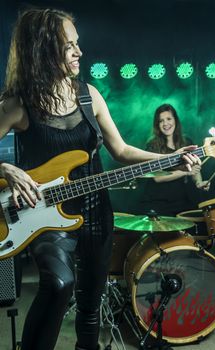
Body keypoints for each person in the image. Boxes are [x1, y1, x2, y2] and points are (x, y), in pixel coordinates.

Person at [0, 8, 201, 350]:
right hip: (44, 217)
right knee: (60, 284)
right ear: (43, 49)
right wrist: (5, 170)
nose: (80, 52)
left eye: (78, 44)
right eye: (69, 46)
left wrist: (171, 160)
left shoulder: (88, 95)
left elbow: (121, 150)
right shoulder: (18, 103)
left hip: (94, 211)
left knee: (91, 303)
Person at [140, 103, 210, 216]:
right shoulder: (152, 145)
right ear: (157, 124)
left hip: (182, 201)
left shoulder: (187, 142)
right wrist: (185, 172)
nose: (165, 123)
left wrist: (199, 182)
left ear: (175, 120)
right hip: (159, 203)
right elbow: (157, 178)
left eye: (168, 119)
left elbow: (194, 168)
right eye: (161, 121)